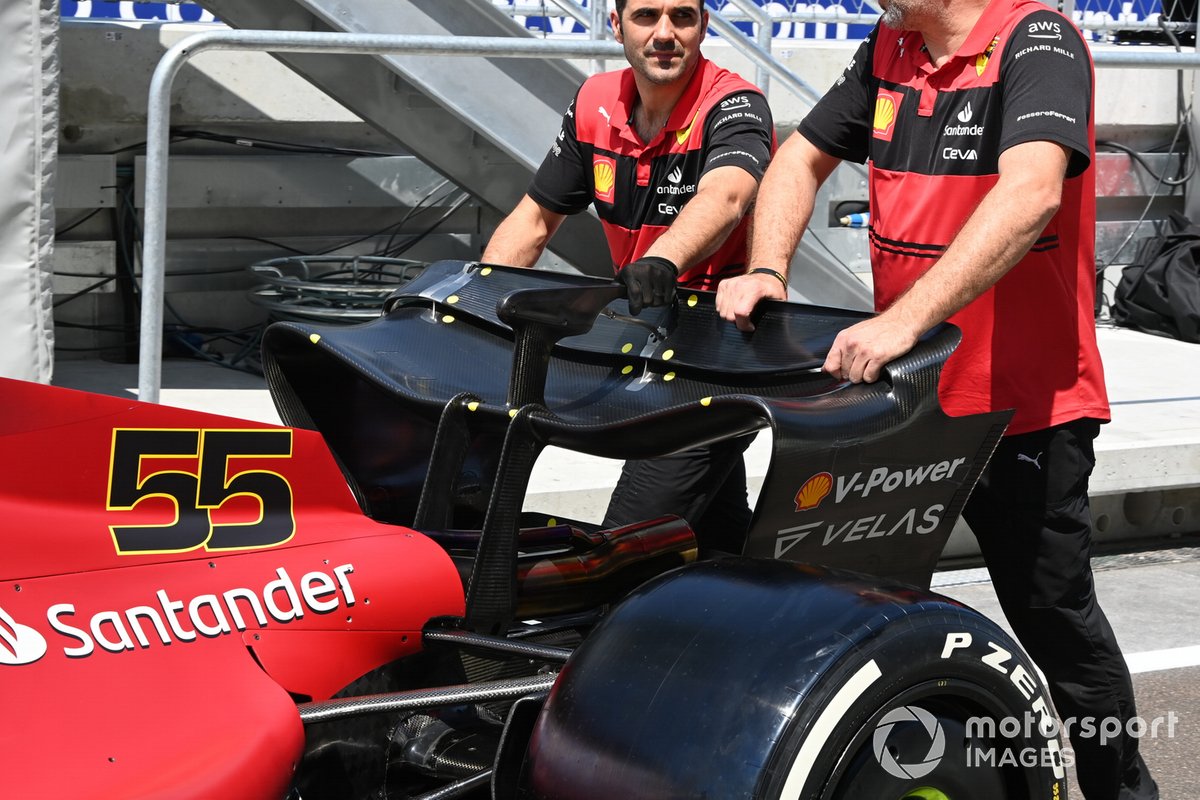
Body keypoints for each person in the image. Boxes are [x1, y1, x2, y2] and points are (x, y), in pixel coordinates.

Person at [714, 0, 1158, 796]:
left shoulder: (1038, 39)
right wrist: (767, 269)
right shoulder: (889, 45)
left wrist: (904, 321)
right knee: (837, 613)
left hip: (1024, 410)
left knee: (1055, 627)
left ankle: (1124, 791)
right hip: (905, 403)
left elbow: (1032, 195)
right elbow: (797, 160)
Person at [483, 0, 775, 552]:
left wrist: (666, 258)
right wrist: (476, 296)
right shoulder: (595, 101)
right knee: (716, 535)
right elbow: (534, 218)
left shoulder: (736, 102)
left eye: (682, 17)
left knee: (621, 548)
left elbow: (728, 194)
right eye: (646, 16)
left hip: (715, 361)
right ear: (616, 26)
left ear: (703, 26)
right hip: (646, 345)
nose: (665, 33)